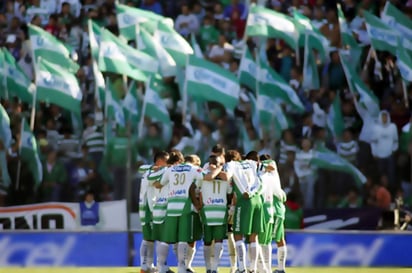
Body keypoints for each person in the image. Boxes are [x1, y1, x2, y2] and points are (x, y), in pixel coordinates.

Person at [207, 149, 263, 273]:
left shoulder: (231, 165)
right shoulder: (250, 162)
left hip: (244, 200)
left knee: (238, 235)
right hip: (258, 200)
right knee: (254, 236)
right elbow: (263, 170)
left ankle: (242, 268)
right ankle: (253, 269)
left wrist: (216, 170)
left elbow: (226, 176)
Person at [154, 151, 202, 273]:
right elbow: (203, 178)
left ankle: (161, 267)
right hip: (185, 207)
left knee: (165, 239)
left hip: (171, 207)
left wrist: (155, 182)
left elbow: (159, 184)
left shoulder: (169, 170)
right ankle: (181, 267)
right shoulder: (192, 168)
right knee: (183, 239)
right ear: (182, 160)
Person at [200, 155, 232, 273]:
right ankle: (212, 268)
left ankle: (211, 268)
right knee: (214, 241)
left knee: (211, 241)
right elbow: (229, 192)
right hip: (217, 210)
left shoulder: (203, 173)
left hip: (211, 210)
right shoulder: (223, 176)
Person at [139, 151, 169, 273]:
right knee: (149, 238)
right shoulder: (152, 171)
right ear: (159, 161)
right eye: (167, 161)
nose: (168, 164)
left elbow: (141, 168)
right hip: (148, 208)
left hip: (146, 207)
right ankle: (145, 266)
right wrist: (153, 210)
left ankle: (148, 266)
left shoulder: (149, 170)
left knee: (150, 238)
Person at [259, 159, 288, 273]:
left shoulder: (266, 176)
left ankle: (268, 269)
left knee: (266, 240)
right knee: (279, 239)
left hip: (273, 209)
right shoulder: (275, 178)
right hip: (279, 209)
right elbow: (283, 196)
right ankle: (280, 268)